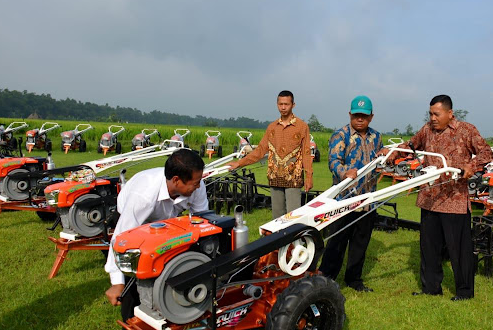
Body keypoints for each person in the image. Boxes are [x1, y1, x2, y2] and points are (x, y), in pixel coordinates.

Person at [392, 95, 493, 301]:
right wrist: (391, 152)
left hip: (454, 200)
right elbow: (411, 145)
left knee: (459, 250)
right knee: (429, 248)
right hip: (429, 198)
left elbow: (486, 153)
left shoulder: (466, 130)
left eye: (436, 114)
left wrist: (470, 166)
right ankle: (431, 288)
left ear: (450, 113)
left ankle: (464, 292)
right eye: (430, 113)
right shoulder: (426, 130)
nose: (433, 118)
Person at [104, 148, 209, 321]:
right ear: (176, 180)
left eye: (199, 181)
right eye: (195, 182)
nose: (198, 186)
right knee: (135, 275)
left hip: (167, 224)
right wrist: (117, 282)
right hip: (133, 225)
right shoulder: (143, 196)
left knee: (172, 264)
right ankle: (132, 318)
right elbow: (121, 240)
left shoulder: (197, 186)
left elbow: (202, 220)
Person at [318, 95, 383, 292]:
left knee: (360, 242)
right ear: (350, 115)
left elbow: (379, 162)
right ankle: (326, 279)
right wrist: (344, 172)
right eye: (356, 115)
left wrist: (384, 157)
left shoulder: (377, 137)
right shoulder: (341, 135)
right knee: (337, 241)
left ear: (371, 117)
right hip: (343, 200)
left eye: (364, 116)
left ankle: (354, 280)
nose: (360, 119)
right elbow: (333, 161)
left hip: (367, 199)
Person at [227, 90, 313, 219]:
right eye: (280, 104)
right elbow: (260, 150)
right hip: (274, 177)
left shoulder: (302, 127)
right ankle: (278, 239)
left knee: (293, 216)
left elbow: (306, 152)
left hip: (294, 179)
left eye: (286, 104)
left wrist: (309, 176)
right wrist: (239, 163)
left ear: (293, 105)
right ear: (277, 104)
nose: (283, 107)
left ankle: (292, 239)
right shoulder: (272, 127)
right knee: (277, 217)